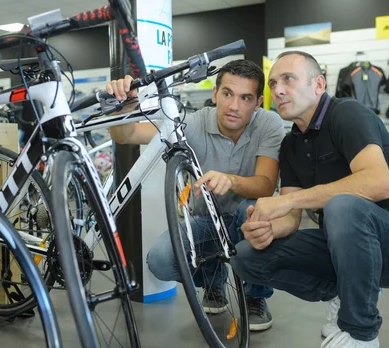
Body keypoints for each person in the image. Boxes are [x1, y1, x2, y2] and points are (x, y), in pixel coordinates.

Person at [231, 51, 389, 348]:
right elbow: (291, 219)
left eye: (288, 79)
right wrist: (264, 228)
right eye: (272, 83)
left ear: (319, 84)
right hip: (345, 244)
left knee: (343, 204)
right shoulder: (291, 145)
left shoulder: (347, 114)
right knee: (246, 258)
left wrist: (288, 200)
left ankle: (361, 337)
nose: (277, 90)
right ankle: (345, 295)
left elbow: (377, 183)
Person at [106, 60, 285, 331]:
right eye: (227, 94)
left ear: (258, 102)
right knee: (161, 260)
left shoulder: (269, 124)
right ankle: (213, 280)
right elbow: (127, 135)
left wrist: (231, 181)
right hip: (207, 221)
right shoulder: (193, 123)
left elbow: (266, 186)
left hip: (247, 217)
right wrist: (125, 106)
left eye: (245, 98)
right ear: (214, 95)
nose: (234, 106)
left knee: (252, 209)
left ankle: (255, 295)